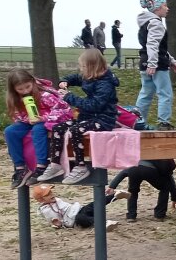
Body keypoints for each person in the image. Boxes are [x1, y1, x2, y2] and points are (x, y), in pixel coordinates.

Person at [39, 49, 119, 185]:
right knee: (58, 128)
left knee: (75, 130)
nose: (81, 69)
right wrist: (65, 81)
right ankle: (55, 164)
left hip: (103, 119)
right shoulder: (91, 76)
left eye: (83, 66)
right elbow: (77, 77)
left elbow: (94, 105)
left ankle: (81, 166)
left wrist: (69, 97)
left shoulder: (105, 84)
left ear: (92, 67)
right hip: (88, 117)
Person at [4, 69, 73, 187]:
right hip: (30, 121)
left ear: (32, 82)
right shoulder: (16, 98)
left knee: (38, 129)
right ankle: (20, 167)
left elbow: (64, 110)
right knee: (10, 131)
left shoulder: (45, 95)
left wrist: (43, 118)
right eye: (20, 89)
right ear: (14, 89)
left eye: (28, 87)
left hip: (49, 120)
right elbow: (17, 115)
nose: (25, 91)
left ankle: (41, 166)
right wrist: (27, 118)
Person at [136, 0, 176, 130]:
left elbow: (159, 47)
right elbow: (153, 45)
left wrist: (171, 60)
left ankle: (138, 121)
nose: (167, 8)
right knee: (165, 93)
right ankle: (164, 122)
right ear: (156, 8)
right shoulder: (156, 23)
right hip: (157, 64)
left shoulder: (145, 23)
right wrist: (153, 63)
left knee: (145, 93)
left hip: (145, 61)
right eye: (164, 6)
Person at [108, 159, 176, 221]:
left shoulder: (140, 156)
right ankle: (159, 215)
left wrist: (112, 186)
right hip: (149, 170)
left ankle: (131, 216)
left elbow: (124, 172)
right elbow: (170, 182)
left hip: (134, 169)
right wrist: (174, 199)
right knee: (164, 188)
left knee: (132, 191)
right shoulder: (165, 164)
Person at [30, 184, 122, 231]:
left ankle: (115, 196)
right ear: (41, 200)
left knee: (93, 205)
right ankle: (104, 223)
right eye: (47, 195)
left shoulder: (56, 200)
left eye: (51, 192)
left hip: (80, 209)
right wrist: (57, 224)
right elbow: (55, 222)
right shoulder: (46, 210)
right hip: (74, 220)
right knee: (83, 218)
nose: (52, 195)